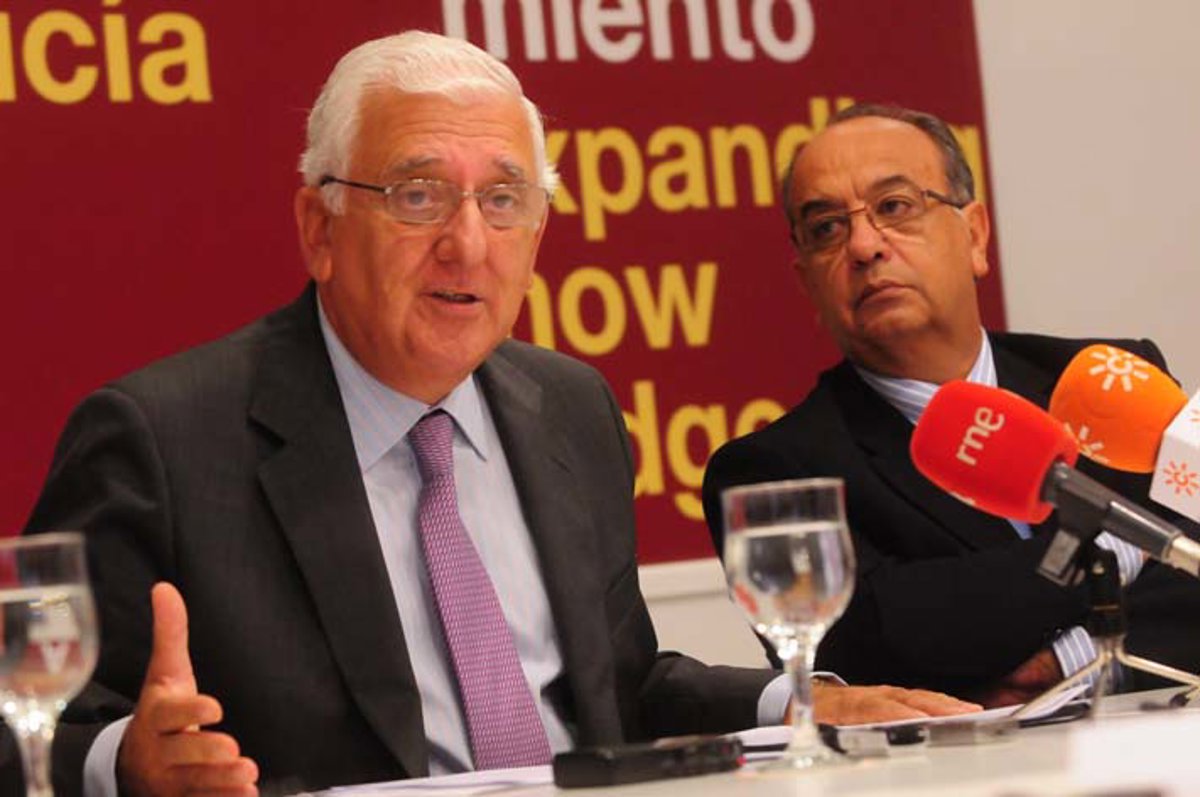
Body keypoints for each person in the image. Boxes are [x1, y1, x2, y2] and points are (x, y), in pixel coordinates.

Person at [21, 39, 976, 797]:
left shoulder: (570, 408)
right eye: (418, 195)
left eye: (504, 199)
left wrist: (801, 702)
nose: (468, 243)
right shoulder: (163, 438)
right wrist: (122, 760)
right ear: (319, 229)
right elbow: (20, 720)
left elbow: (621, 687)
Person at [702, 103, 1200, 708]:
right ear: (807, 281)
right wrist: (1132, 541)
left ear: (975, 236)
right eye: (827, 228)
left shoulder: (1111, 381)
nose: (863, 246)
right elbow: (882, 643)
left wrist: (1071, 662)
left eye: (894, 207)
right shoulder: (773, 470)